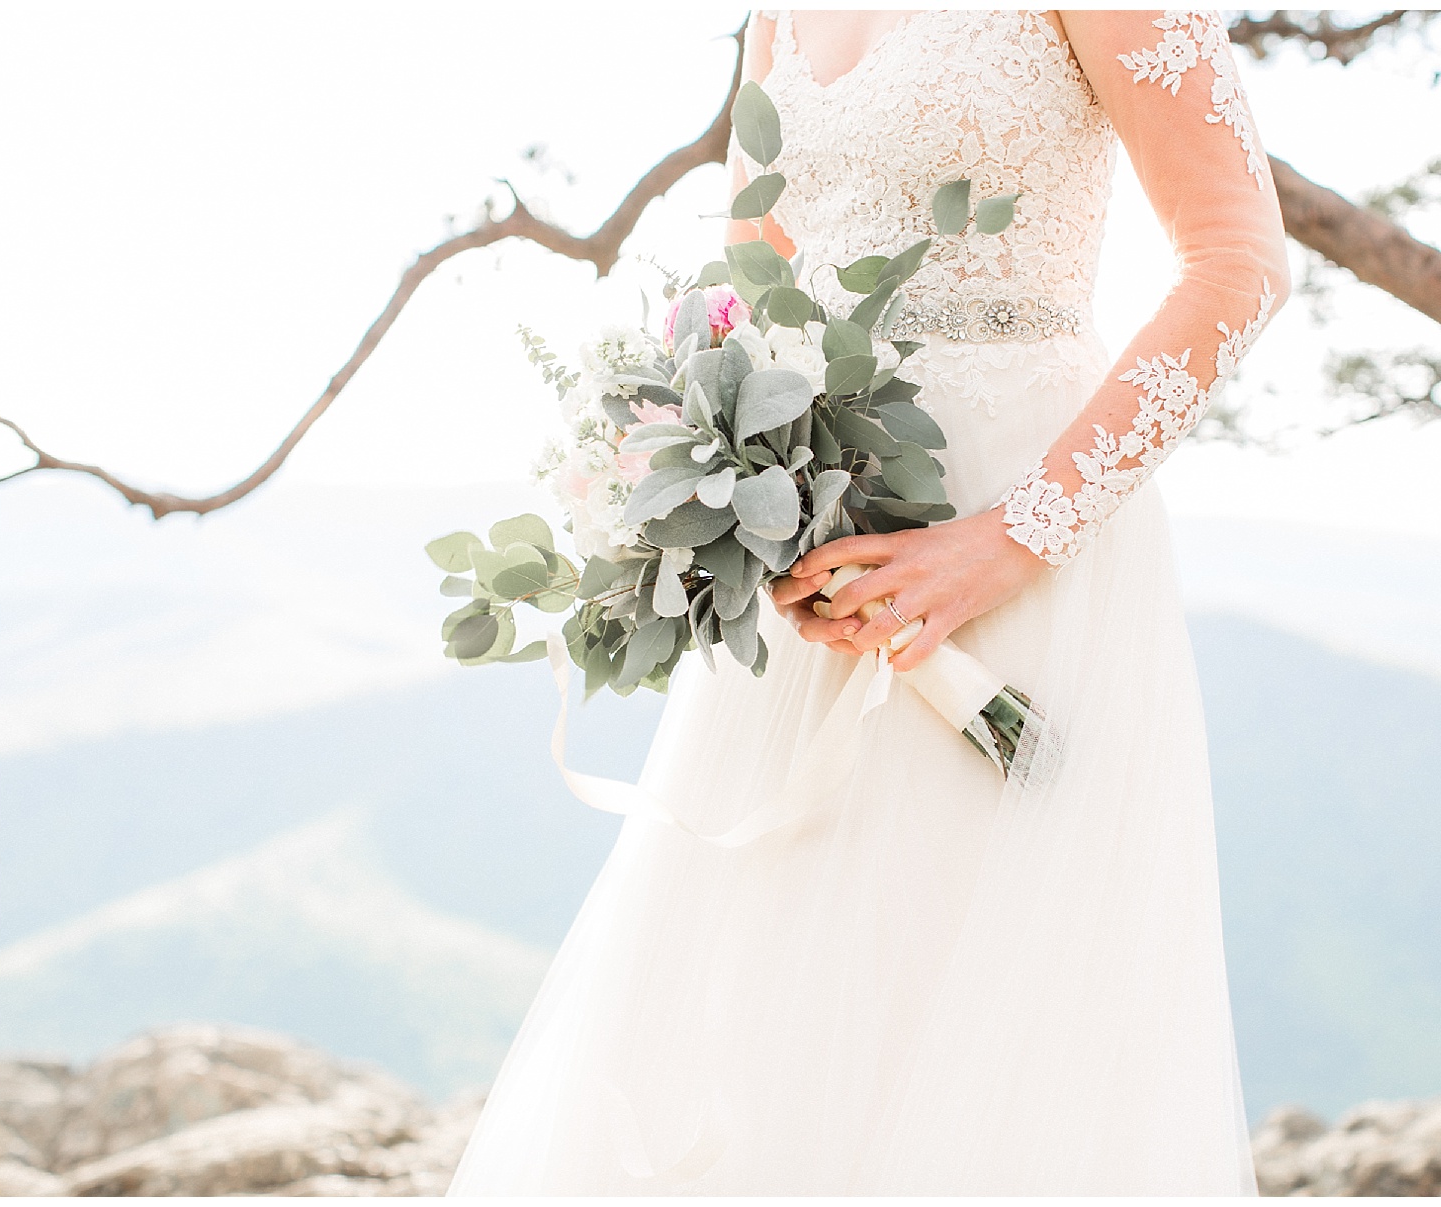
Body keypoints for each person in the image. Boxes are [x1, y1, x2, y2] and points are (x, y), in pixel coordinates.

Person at [448, 8, 1290, 1194]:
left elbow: (1240, 264)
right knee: (768, 983)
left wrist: (1016, 537)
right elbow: (751, 273)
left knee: (989, 997)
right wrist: (727, 480)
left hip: (1014, 516)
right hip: (821, 536)